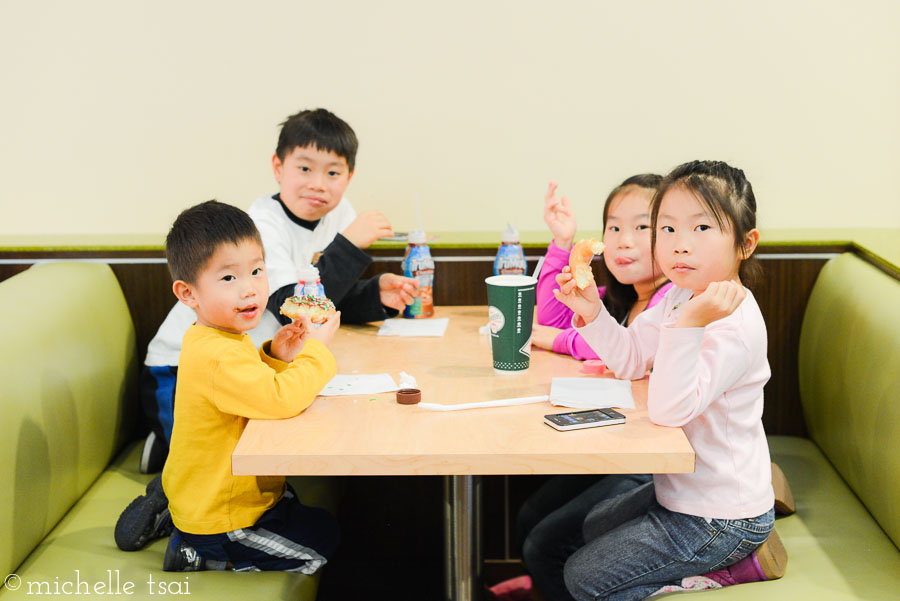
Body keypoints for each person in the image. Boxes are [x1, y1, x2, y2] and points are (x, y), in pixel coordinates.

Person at [548, 160, 784, 600]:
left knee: (585, 576)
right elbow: (633, 358)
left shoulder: (732, 323)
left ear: (745, 243)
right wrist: (590, 311)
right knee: (592, 525)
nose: (680, 246)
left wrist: (689, 324)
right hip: (680, 490)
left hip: (723, 517)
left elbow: (670, 409)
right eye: (668, 230)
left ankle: (722, 572)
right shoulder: (681, 294)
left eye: (701, 228)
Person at [137, 108, 418, 475]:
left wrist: (374, 294)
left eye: (332, 172)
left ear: (349, 177)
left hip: (251, 364)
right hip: (180, 368)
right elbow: (292, 306)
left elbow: (325, 299)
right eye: (304, 168)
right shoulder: (261, 225)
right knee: (206, 465)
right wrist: (350, 244)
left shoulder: (339, 213)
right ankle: (163, 447)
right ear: (278, 168)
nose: (318, 183)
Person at [136, 200, 341, 572]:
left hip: (222, 493)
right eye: (229, 278)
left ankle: (180, 519)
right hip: (226, 518)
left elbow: (248, 387)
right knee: (321, 546)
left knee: (314, 517)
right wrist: (317, 351)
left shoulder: (217, 338)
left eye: (257, 271)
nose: (250, 290)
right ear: (188, 294)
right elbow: (279, 399)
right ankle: (199, 552)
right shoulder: (218, 352)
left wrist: (276, 354)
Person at [508, 175, 672, 601]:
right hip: (624, 440)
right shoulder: (624, 295)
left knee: (546, 545)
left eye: (642, 227)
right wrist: (562, 243)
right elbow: (557, 316)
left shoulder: (669, 299)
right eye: (614, 227)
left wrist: (557, 340)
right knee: (529, 516)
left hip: (654, 461)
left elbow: (624, 346)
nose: (623, 240)